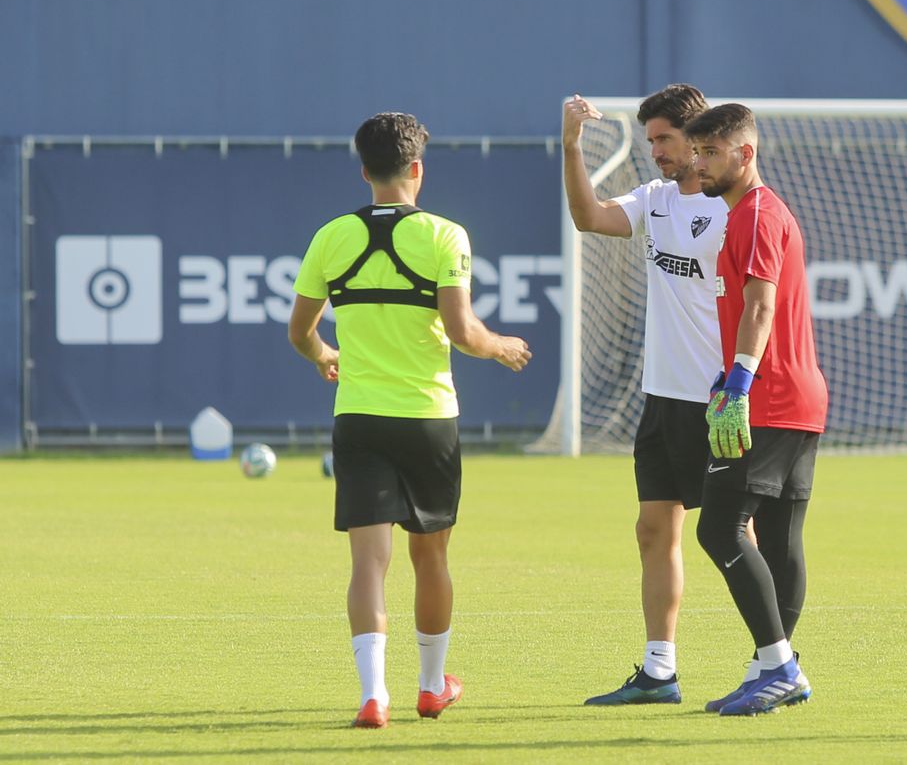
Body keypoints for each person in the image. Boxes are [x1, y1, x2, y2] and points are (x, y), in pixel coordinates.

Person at [287, 111, 531, 729]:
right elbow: (462, 331)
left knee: (368, 563)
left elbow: (300, 332)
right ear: (417, 168)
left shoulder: (330, 236)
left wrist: (325, 357)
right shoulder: (447, 236)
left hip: (360, 417)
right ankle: (430, 686)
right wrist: (500, 345)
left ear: (364, 171)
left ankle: (374, 696)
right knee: (432, 558)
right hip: (428, 418)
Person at [562, 85, 729, 705]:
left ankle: (774, 660)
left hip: (719, 401)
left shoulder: (735, 209)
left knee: (738, 536)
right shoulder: (654, 200)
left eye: (664, 139)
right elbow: (589, 218)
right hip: (662, 399)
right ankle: (660, 670)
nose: (654, 151)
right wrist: (572, 147)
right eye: (649, 139)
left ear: (698, 138)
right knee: (653, 531)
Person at [685, 103, 829, 717]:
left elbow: (762, 306)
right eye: (696, 153)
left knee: (718, 528)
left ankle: (778, 665)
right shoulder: (751, 213)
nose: (699, 165)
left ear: (745, 154)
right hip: (797, 394)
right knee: (778, 535)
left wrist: (738, 381)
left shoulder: (757, 214)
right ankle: (768, 669)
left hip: (767, 396)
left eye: (710, 153)